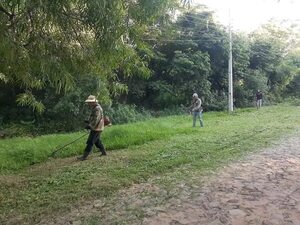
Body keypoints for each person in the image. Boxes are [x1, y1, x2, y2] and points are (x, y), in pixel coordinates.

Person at [78, 95, 107, 160]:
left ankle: (84, 156)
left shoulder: (97, 108)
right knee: (97, 141)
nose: (89, 103)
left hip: (97, 128)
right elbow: (94, 118)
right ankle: (104, 152)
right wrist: (88, 121)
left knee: (90, 142)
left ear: (93, 102)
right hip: (97, 127)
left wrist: (90, 126)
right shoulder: (95, 107)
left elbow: (96, 119)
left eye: (90, 102)